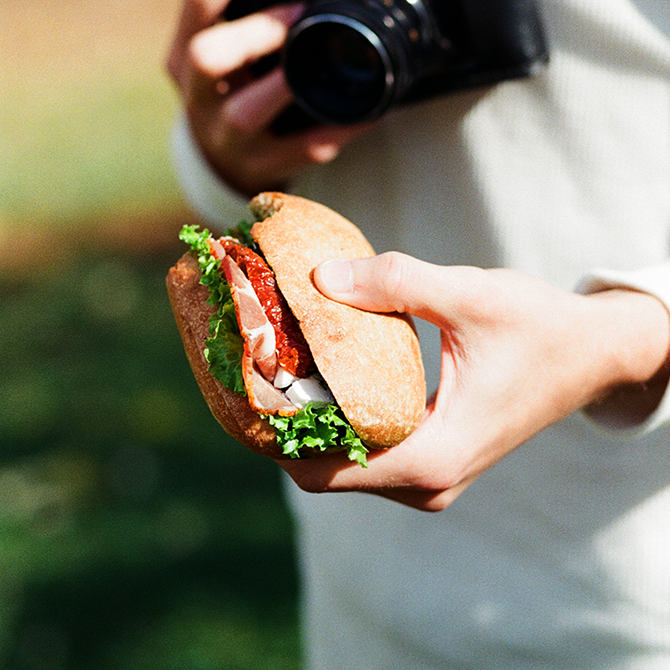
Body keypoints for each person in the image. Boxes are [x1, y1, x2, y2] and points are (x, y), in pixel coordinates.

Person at [166, 0, 670, 667]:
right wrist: (222, 146)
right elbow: (248, 176)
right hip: (358, 601)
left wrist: (625, 334)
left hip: (628, 603)